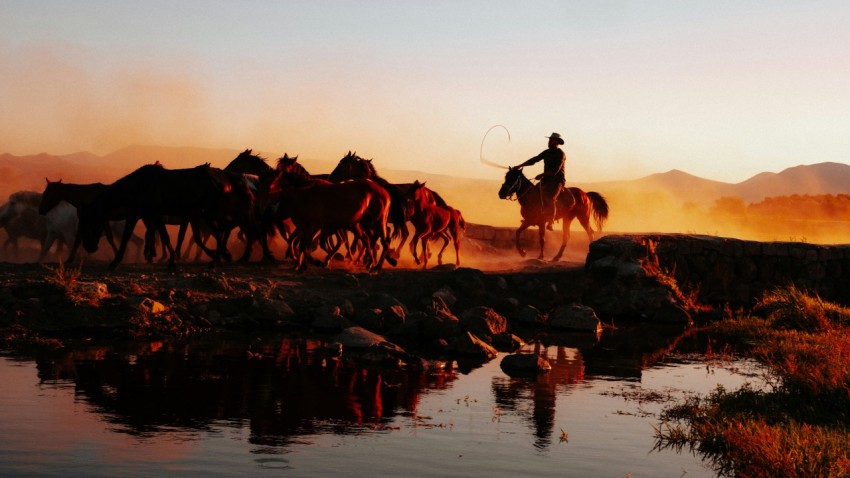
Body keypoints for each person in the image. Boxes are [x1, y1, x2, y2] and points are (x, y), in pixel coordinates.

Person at [514, 132, 566, 230]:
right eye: (550, 139)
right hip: (546, 180)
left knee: (551, 199)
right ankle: (531, 217)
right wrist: (520, 166)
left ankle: (550, 221)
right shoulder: (546, 152)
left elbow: (555, 170)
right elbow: (534, 160)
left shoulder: (561, 154)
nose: (549, 141)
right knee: (534, 194)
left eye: (552, 140)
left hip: (557, 181)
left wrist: (542, 175)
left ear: (557, 142)